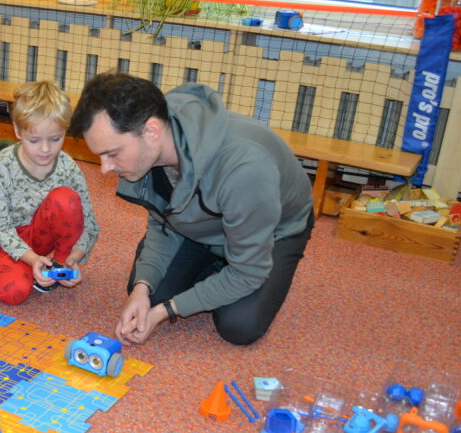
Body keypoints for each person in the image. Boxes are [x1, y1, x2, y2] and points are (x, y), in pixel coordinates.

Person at [70, 73, 314, 346]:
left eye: (112, 153)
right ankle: (214, 267)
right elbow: (164, 223)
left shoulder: (245, 168)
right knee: (147, 292)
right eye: (100, 156)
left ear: (151, 131)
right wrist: (141, 288)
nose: (105, 168)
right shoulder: (149, 148)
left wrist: (165, 312)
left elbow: (248, 271)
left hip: (275, 229)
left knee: (239, 325)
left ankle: (223, 267)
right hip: (202, 224)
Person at [0, 81, 99, 306]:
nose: (45, 149)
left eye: (55, 139)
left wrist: (73, 258)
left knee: (66, 199)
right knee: (13, 291)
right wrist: (32, 258)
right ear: (18, 130)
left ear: (65, 131)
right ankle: (33, 267)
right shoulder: (1, 166)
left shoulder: (68, 167)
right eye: (34, 140)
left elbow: (89, 223)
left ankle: (58, 266)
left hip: (41, 235)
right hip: (4, 236)